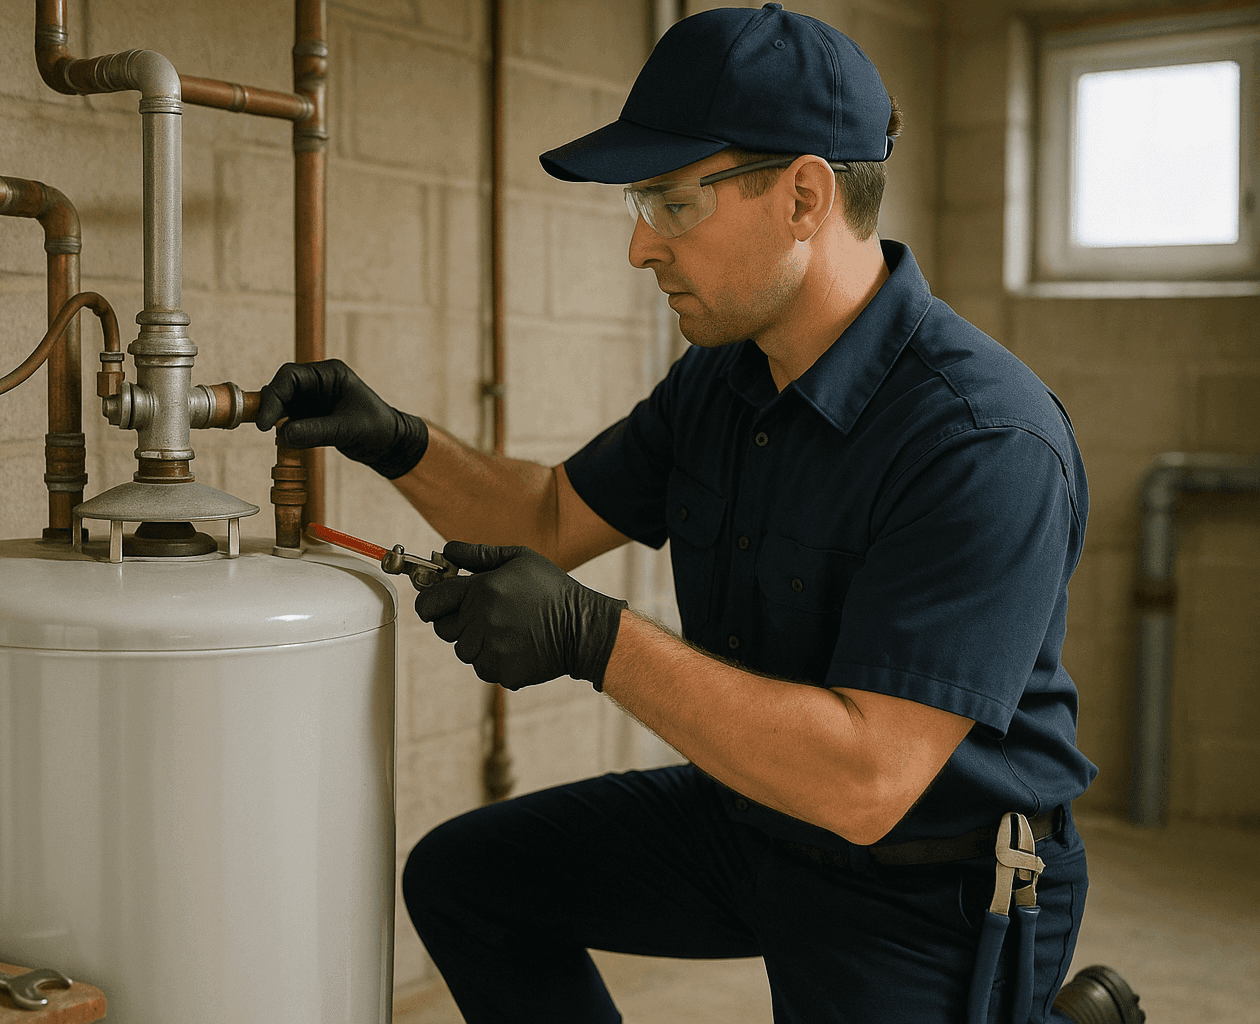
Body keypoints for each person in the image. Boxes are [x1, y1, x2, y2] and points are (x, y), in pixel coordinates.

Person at [257, 6, 1121, 1022]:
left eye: (669, 202)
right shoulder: (725, 378)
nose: (638, 246)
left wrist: (592, 635)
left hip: (930, 880)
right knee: (470, 878)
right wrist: (392, 437)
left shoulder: (982, 437)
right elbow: (546, 513)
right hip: (757, 815)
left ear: (803, 195)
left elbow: (866, 778)